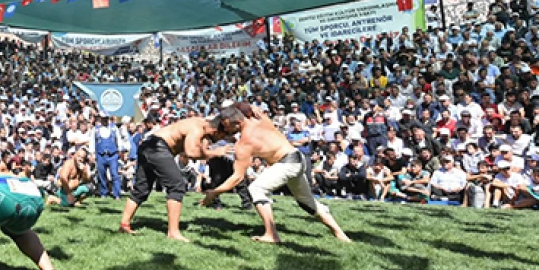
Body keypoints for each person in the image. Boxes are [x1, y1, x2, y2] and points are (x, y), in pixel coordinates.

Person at [201, 107, 352, 244]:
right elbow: (243, 106)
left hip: (287, 163)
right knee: (308, 203)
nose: (226, 130)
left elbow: (237, 177)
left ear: (237, 122)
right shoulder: (259, 119)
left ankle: (271, 234)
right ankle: (340, 234)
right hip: (298, 159)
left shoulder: (244, 143)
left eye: (227, 126)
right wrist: (248, 108)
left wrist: (213, 193)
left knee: (255, 189)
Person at [118, 107, 246, 241]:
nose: (219, 140)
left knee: (141, 189)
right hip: (158, 147)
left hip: (148, 145)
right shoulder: (197, 128)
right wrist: (216, 152)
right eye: (221, 136)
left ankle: (124, 224)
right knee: (177, 186)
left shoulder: (204, 124)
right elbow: (190, 153)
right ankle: (173, 232)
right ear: (215, 131)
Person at [93, 116, 121, 199]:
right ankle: (103, 193)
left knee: (114, 174)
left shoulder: (114, 128)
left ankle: (117, 194)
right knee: (102, 174)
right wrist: (92, 153)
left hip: (113, 154)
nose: (104, 120)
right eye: (103, 119)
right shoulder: (96, 129)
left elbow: (118, 139)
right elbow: (92, 141)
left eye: (106, 118)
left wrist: (120, 149)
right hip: (101, 155)